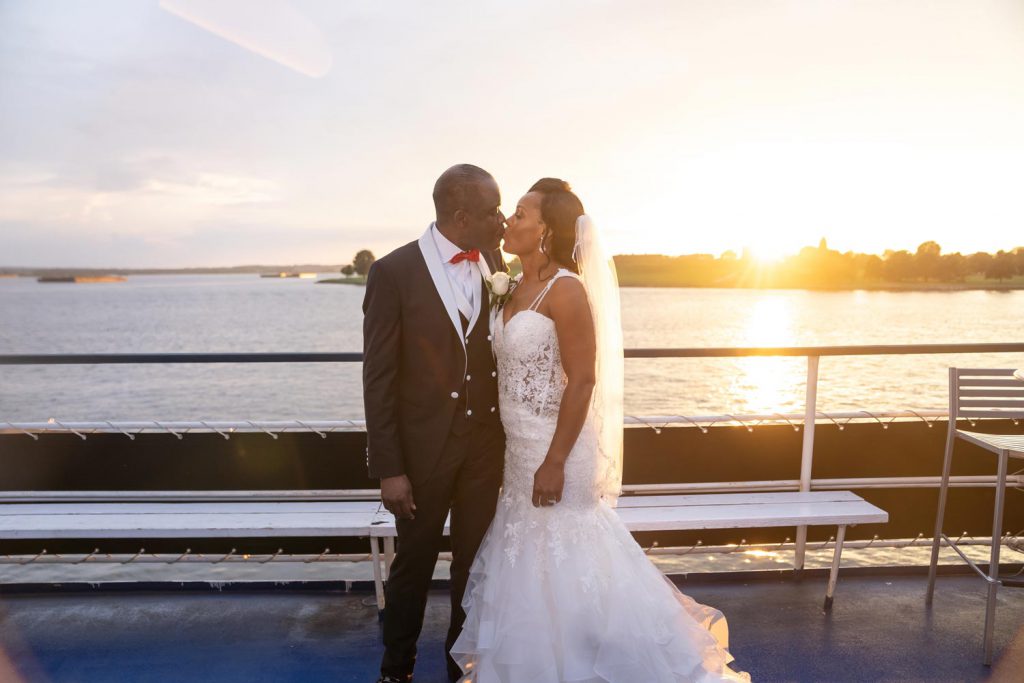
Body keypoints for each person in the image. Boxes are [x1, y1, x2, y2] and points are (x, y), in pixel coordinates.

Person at [450, 178, 751, 682]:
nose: (509, 221)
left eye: (521, 214)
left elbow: (583, 379)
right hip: (518, 452)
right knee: (528, 561)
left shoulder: (566, 290)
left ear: (546, 230)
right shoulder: (508, 284)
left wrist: (555, 460)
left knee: (570, 558)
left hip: (557, 451)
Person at [363, 164, 508, 683]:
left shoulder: (496, 261)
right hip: (422, 452)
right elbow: (377, 378)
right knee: (413, 566)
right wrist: (389, 468)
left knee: (473, 565)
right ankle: (396, 669)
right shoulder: (393, 271)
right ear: (462, 215)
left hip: (484, 448)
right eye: (494, 210)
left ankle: (459, 666)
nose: (503, 218)